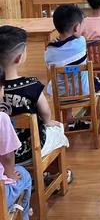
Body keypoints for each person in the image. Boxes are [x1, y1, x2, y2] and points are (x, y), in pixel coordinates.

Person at [0, 26, 70, 165]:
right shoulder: (31, 85)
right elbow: (45, 113)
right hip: (29, 151)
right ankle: (53, 174)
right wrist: (48, 121)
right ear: (19, 58)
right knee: (58, 130)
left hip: (3, 152)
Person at [45, 5, 98, 129]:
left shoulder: (49, 51)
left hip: (60, 94)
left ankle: (69, 119)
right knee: (94, 83)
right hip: (84, 92)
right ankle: (88, 119)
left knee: (64, 83)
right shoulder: (81, 42)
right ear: (76, 28)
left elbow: (50, 64)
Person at [0, 66, 32, 220]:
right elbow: (7, 156)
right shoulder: (2, 118)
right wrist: (11, 174)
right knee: (24, 175)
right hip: (1, 194)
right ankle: (22, 215)